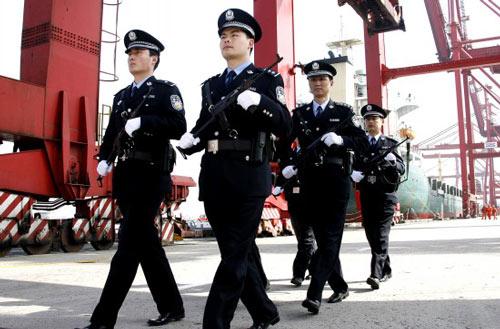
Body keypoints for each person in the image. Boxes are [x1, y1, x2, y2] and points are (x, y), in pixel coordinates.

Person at [178, 8, 291, 329]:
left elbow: (285, 123)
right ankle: (265, 312)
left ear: (250, 42)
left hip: (248, 175)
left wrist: (260, 103)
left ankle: (214, 324)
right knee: (234, 253)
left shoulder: (267, 79)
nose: (227, 40)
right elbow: (205, 124)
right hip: (214, 175)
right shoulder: (211, 86)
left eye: (235, 35)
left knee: (233, 256)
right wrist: (191, 140)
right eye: (223, 36)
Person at [77, 30, 186, 329]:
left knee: (127, 245)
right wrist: (102, 159)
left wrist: (146, 122)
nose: (132, 57)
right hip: (126, 177)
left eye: (138, 53)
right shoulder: (122, 96)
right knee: (148, 245)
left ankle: (103, 319)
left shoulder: (166, 90)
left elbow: (179, 126)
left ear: (154, 59)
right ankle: (173, 306)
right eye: (129, 53)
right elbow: (112, 134)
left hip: (152, 175)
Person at [280, 60, 368, 314]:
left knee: (329, 239)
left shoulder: (343, 113)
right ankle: (340, 285)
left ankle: (314, 293)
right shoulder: (301, 114)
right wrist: (287, 166)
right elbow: (286, 144)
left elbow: (361, 142)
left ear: (331, 82)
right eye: (313, 79)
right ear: (309, 83)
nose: (318, 83)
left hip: (336, 179)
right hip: (310, 180)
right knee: (325, 240)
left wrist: (341, 139)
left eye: (322, 79)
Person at [351, 103, 405, 290]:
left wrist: (393, 163)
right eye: (367, 119)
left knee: (381, 234)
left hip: (385, 195)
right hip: (366, 194)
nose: (371, 122)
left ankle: (375, 274)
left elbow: (401, 168)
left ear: (382, 122)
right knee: (371, 234)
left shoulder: (391, 144)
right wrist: (353, 174)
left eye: (375, 118)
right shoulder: (359, 143)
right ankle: (386, 269)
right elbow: (352, 164)